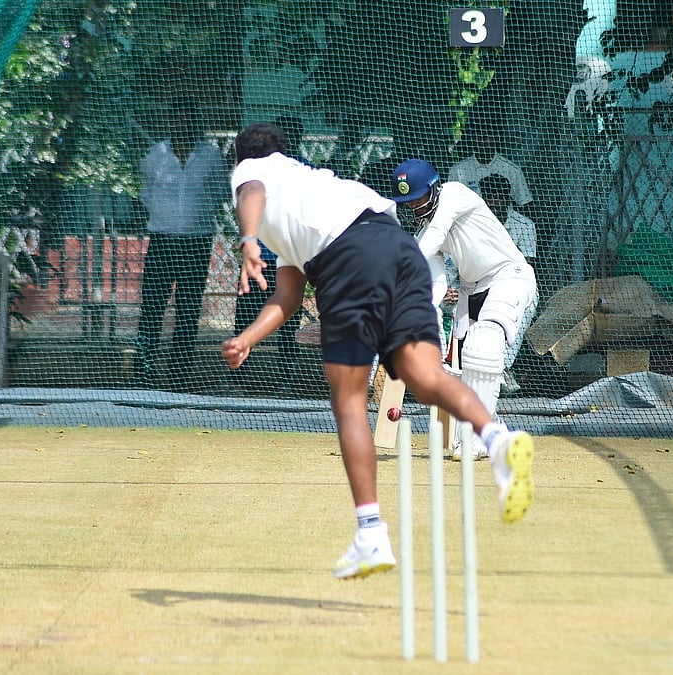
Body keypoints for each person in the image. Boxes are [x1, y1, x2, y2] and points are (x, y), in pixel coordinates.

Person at [221, 123, 535, 580]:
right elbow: (288, 297)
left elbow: (250, 189)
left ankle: (370, 534)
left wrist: (247, 242)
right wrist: (249, 337)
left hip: (351, 254)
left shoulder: (253, 171)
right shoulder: (307, 188)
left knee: (349, 400)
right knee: (424, 374)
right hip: (397, 247)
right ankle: (498, 441)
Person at [391, 158, 540, 460]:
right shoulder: (424, 234)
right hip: (472, 293)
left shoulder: (455, 194)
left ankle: (479, 437)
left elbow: (435, 235)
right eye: (407, 203)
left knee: (483, 346)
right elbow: (433, 288)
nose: (413, 207)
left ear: (433, 189)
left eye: (417, 198)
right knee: (457, 370)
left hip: (509, 277)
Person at [131, 97, 228, 391]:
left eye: (189, 118)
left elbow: (221, 193)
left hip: (196, 243)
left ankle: (179, 378)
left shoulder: (211, 156)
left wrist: (198, 213)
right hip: (162, 241)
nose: (182, 124)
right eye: (177, 119)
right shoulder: (156, 155)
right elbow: (145, 193)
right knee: (151, 311)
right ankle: (143, 375)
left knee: (187, 312)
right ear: (170, 122)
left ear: (197, 122)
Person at [232, 116, 304, 396]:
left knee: (287, 319)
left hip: (287, 258)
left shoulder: (298, 169)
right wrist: (249, 244)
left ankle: (286, 378)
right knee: (246, 317)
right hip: (258, 259)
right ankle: (238, 378)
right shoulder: (251, 170)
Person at [478, 173, 538, 395]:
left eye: (498, 197)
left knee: (525, 308)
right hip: (478, 283)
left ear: (508, 198)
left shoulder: (524, 225)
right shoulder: (476, 224)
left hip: (516, 284)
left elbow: (526, 265)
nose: (493, 202)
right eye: (489, 197)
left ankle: (502, 368)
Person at [447, 127, 533, 210]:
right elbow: (450, 204)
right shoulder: (458, 171)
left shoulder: (511, 169)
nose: (482, 141)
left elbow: (525, 203)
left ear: (496, 139)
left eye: (486, 137)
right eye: (478, 137)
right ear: (472, 140)